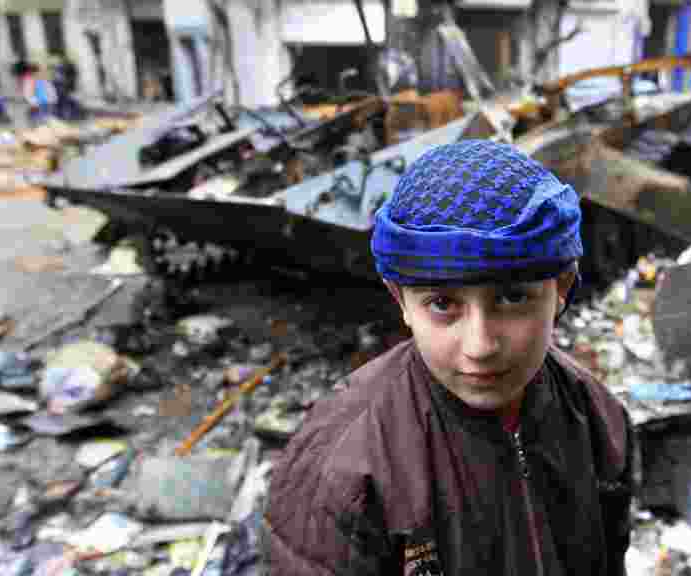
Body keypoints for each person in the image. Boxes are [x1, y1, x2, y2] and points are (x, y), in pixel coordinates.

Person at [263, 140, 635, 575]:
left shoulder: (596, 418)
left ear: (562, 290)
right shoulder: (342, 470)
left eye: (512, 298)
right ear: (400, 299)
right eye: (443, 304)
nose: (479, 346)